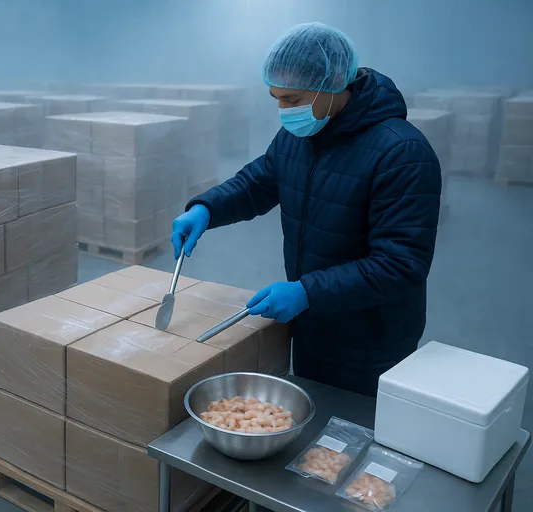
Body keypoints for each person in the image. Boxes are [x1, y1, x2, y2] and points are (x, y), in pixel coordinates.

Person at [171, 22, 442, 398]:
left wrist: (307, 291)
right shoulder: (299, 136)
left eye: (293, 100)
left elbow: (400, 264)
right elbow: (257, 183)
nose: (283, 111)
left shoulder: (402, 154)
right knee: (314, 434)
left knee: (354, 437)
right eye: (276, 98)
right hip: (314, 321)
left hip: (371, 340)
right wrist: (205, 208)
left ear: (333, 83)